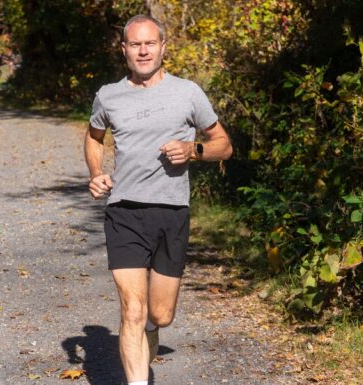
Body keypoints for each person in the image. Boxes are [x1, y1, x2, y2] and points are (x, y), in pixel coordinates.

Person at [83, 15, 232, 385]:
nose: (144, 50)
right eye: (135, 44)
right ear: (124, 50)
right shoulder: (109, 95)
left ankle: (154, 325)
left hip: (172, 211)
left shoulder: (188, 93)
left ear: (163, 47)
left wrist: (193, 150)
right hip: (124, 211)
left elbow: (224, 145)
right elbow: (93, 137)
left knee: (160, 313)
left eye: (150, 43)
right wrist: (96, 172)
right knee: (132, 308)